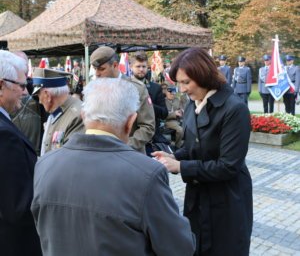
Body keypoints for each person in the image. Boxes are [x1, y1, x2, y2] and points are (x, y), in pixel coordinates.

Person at [31, 78, 195, 256]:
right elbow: (179, 247)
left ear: (83, 116)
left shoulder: (44, 165)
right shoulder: (147, 174)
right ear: (130, 121)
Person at [153, 47, 253, 256]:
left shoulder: (234, 108)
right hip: (198, 197)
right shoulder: (193, 104)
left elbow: (228, 166)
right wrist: (173, 157)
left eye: (186, 82)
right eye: (178, 83)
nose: (181, 89)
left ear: (203, 75)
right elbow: (192, 148)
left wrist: (181, 166)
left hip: (227, 200)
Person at [0, 51, 42, 256]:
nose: (26, 93)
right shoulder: (4, 134)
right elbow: (18, 206)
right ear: (1, 85)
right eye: (22, 86)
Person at [90, 46, 155, 153]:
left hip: (130, 155)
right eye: (95, 69)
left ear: (115, 65)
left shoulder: (137, 89)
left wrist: (124, 146)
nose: (97, 73)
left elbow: (148, 127)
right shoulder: (94, 89)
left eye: (101, 69)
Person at [32, 68, 84, 155]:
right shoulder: (56, 112)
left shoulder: (77, 115)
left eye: (38, 95)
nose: (40, 101)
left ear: (47, 95)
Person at [130, 51, 169, 155]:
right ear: (131, 67)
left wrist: (147, 105)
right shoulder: (125, 87)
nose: (141, 69)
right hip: (132, 138)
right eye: (138, 66)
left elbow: (164, 113)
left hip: (151, 137)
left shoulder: (155, 88)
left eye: (144, 66)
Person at [11, 51, 47, 155]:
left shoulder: (35, 86)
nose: (23, 68)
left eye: (24, 64)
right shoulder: (6, 88)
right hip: (13, 150)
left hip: (36, 150)